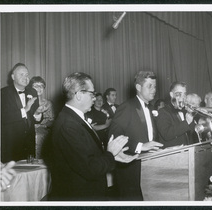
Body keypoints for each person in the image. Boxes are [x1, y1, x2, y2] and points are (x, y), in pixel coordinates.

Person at [48, 72, 138, 201]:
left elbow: (87, 155)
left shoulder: (73, 118)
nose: (95, 98)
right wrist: (110, 154)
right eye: (92, 94)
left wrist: (113, 156)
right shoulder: (68, 125)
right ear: (79, 95)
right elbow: (90, 168)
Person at [108, 71, 163, 201]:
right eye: (149, 86)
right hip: (131, 171)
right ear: (138, 87)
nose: (154, 90)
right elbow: (113, 138)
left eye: (155, 86)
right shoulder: (126, 107)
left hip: (149, 170)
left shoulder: (149, 108)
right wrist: (140, 146)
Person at [1, 63, 40, 163]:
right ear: (13, 77)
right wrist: (25, 109)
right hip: (11, 143)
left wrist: (38, 114)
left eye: (27, 75)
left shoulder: (33, 92)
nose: (25, 77)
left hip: (29, 142)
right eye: (21, 74)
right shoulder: (3, 93)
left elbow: (34, 118)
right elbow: (3, 118)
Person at [156, 81, 196, 148]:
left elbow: (192, 133)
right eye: (179, 94)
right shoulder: (163, 112)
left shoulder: (184, 111)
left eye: (184, 94)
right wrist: (186, 122)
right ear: (171, 94)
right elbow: (167, 134)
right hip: (173, 155)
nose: (183, 97)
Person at [28, 76, 55, 158]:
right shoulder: (28, 102)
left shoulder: (48, 103)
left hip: (43, 132)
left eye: (41, 86)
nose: (39, 88)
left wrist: (43, 125)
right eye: (36, 85)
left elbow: (52, 121)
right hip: (29, 131)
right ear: (31, 87)